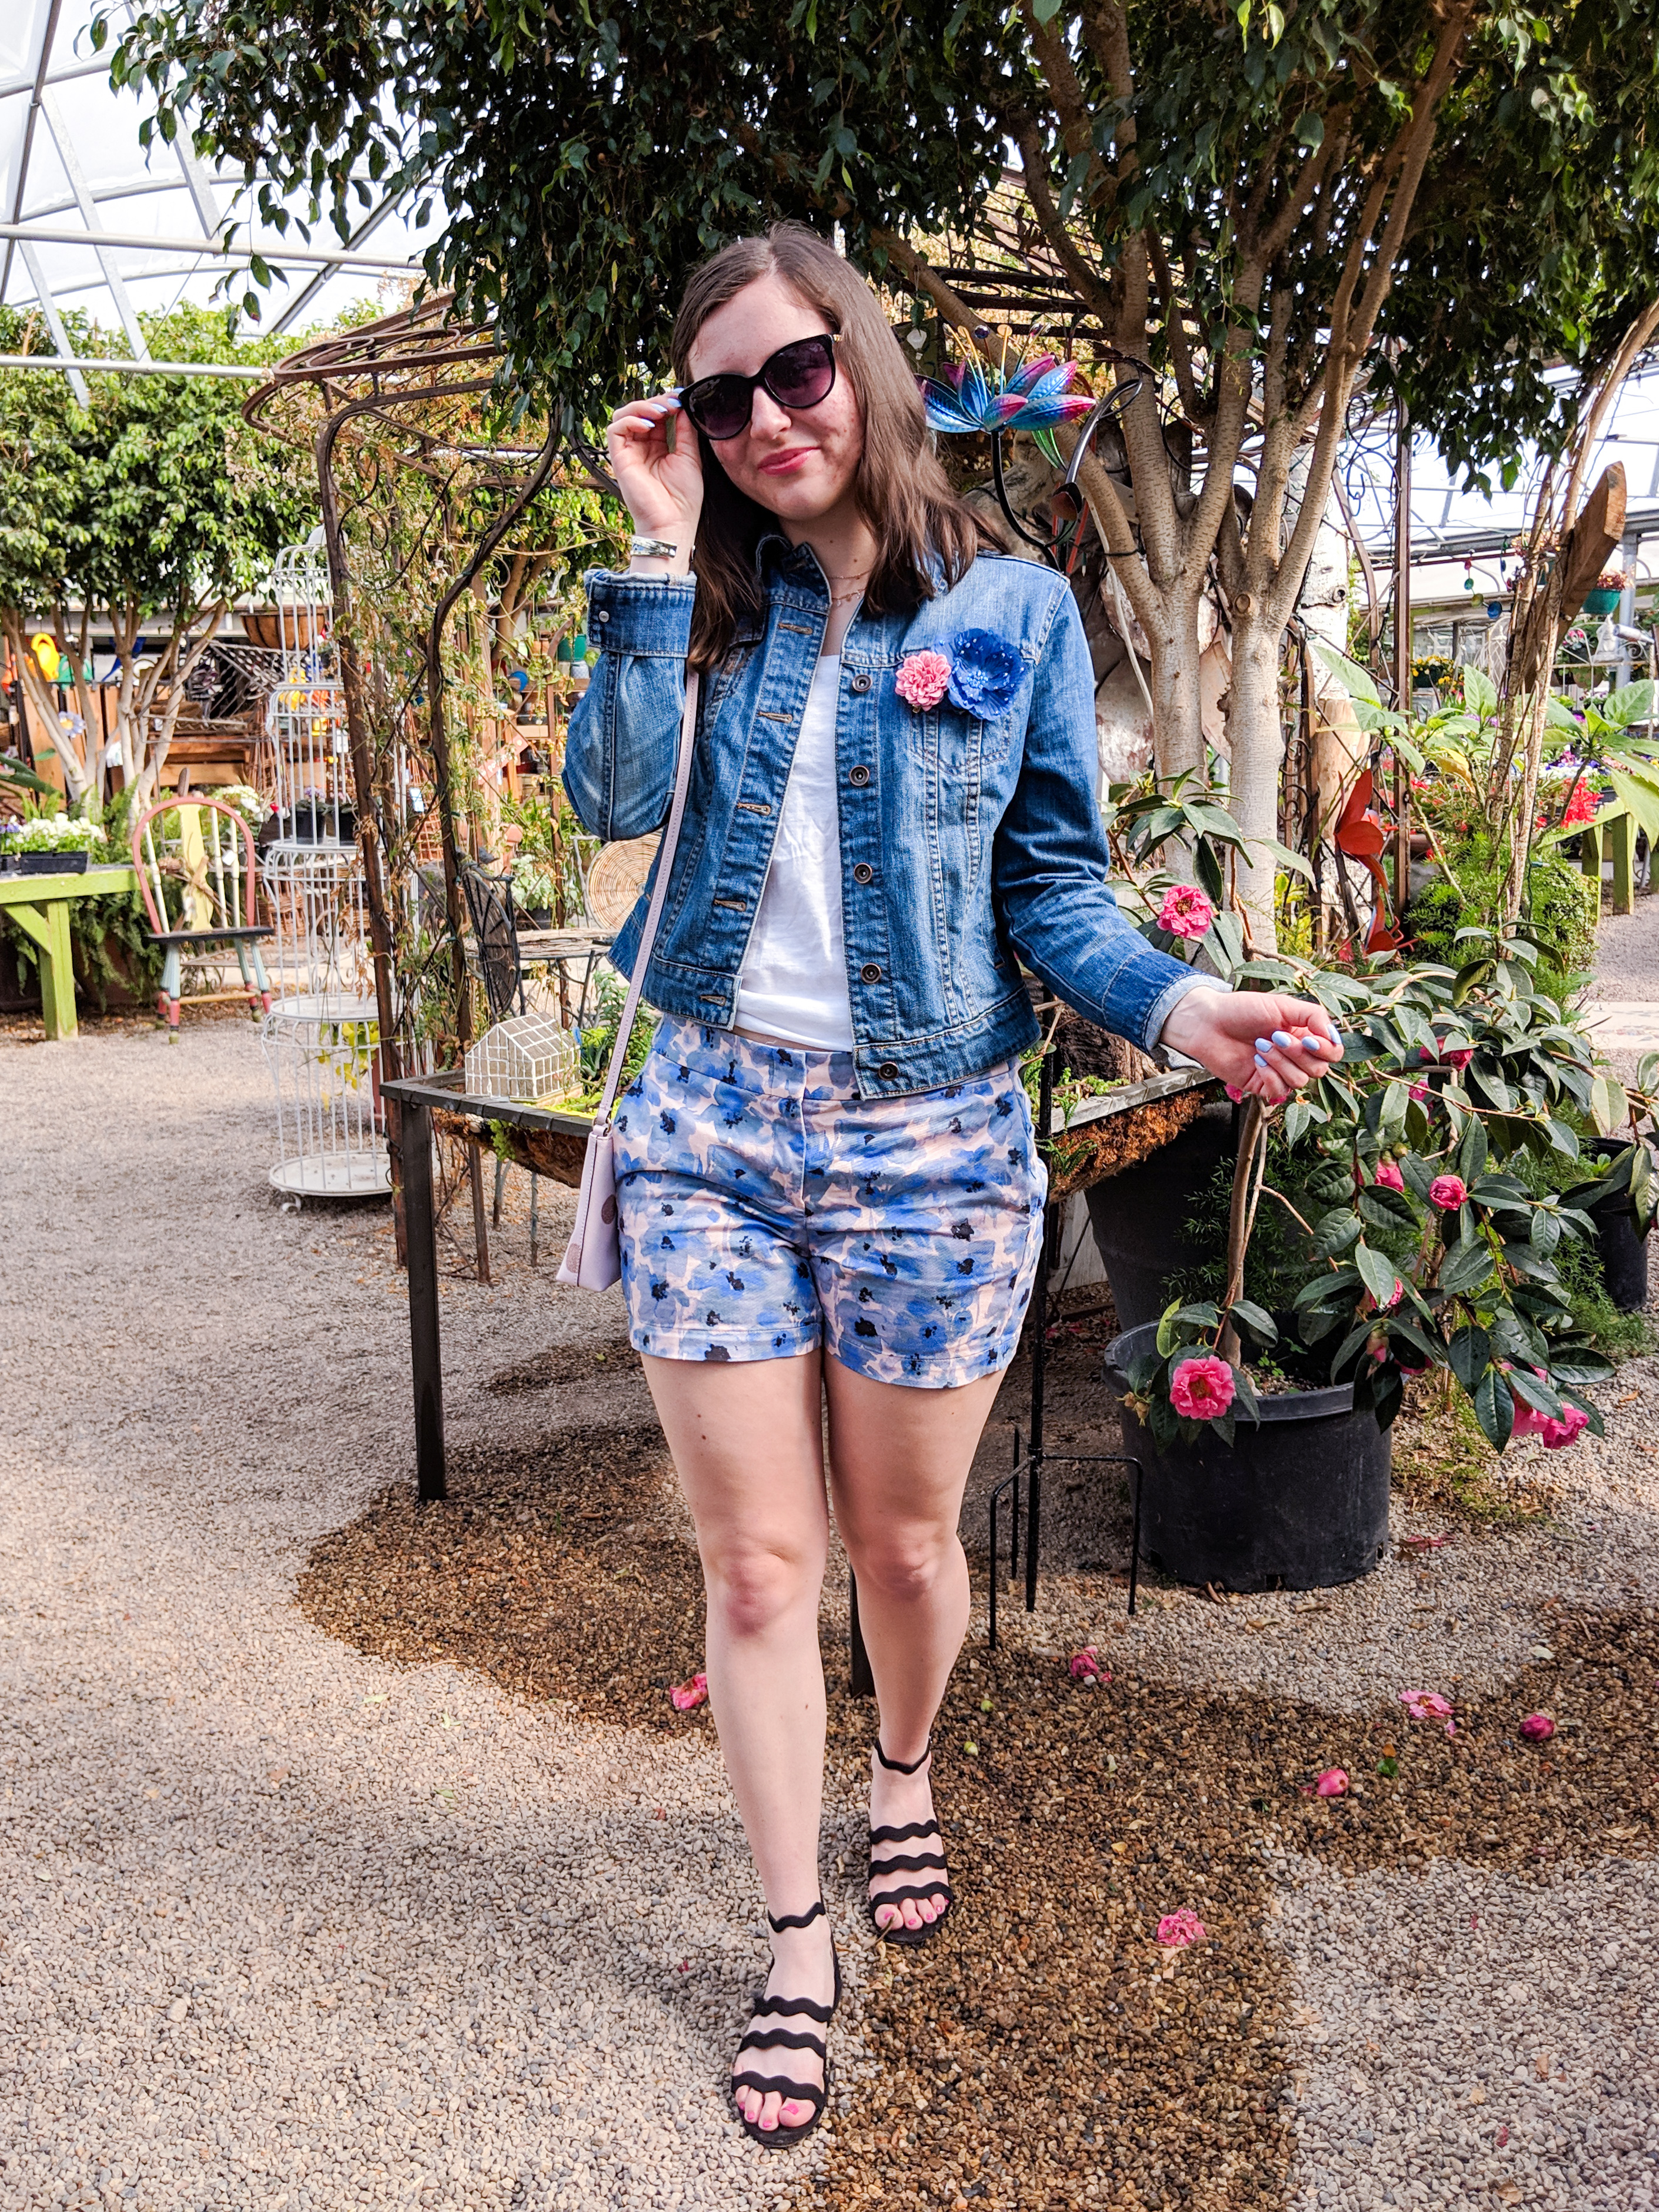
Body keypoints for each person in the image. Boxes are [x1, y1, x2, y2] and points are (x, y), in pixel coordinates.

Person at [562, 221, 1339, 2150]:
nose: (761, 422)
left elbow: (1053, 887)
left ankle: (901, 1764)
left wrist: (1185, 1010)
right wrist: (659, 554)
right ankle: (796, 1938)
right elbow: (605, 794)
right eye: (724, 396)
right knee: (756, 1563)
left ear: (869, 361)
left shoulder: (1011, 610)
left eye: (797, 373)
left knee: (906, 1553)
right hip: (712, 1133)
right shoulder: (707, 604)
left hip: (932, 1146)